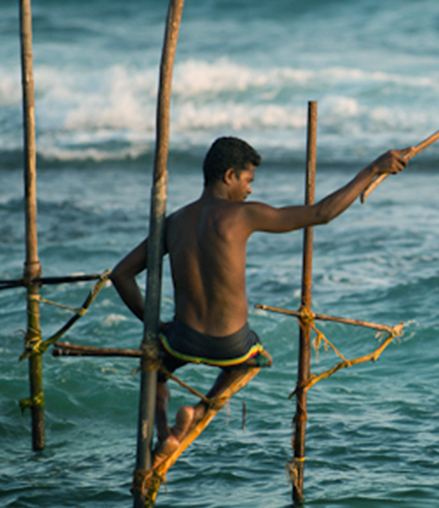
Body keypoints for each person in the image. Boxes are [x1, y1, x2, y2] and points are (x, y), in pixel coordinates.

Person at [109, 136, 407, 460]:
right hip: (230, 345)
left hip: (182, 338)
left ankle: (165, 433)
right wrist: (373, 168)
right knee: (256, 358)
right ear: (228, 176)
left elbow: (121, 274)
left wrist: (155, 323)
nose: (250, 190)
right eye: (248, 180)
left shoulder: (174, 222)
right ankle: (198, 409)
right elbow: (322, 213)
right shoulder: (243, 215)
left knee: (155, 367)